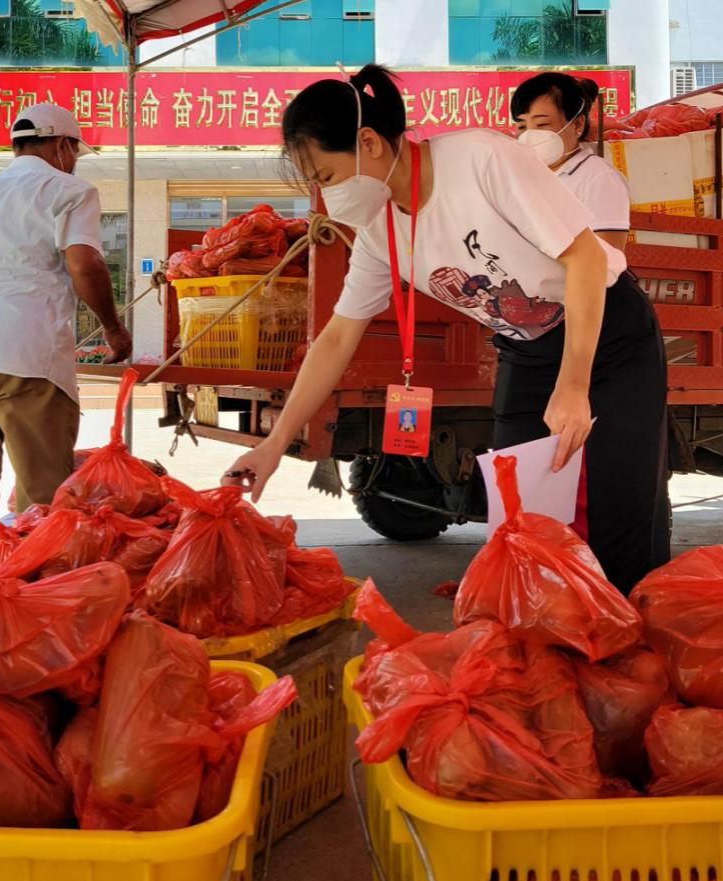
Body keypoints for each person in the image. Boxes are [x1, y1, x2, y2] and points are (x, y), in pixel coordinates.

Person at [223, 64, 669, 595]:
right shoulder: (379, 228)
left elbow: (587, 260)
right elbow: (337, 337)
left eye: (326, 177)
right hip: (526, 349)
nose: (327, 195)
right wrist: (274, 445)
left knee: (620, 501)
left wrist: (574, 385)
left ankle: (629, 620)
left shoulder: (480, 158)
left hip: (607, 333)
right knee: (521, 509)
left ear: (369, 143)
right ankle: (542, 623)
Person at [0, 102, 132, 593]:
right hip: (24, 351)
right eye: (75, 151)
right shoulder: (69, 190)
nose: (75, 161)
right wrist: (113, 328)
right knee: (45, 494)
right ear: (61, 145)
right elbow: (85, 264)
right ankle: (45, 604)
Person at [512, 72, 631, 253]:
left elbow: (606, 258)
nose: (530, 134)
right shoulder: (529, 176)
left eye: (542, 124)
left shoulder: (599, 177)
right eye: (522, 126)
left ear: (577, 124)